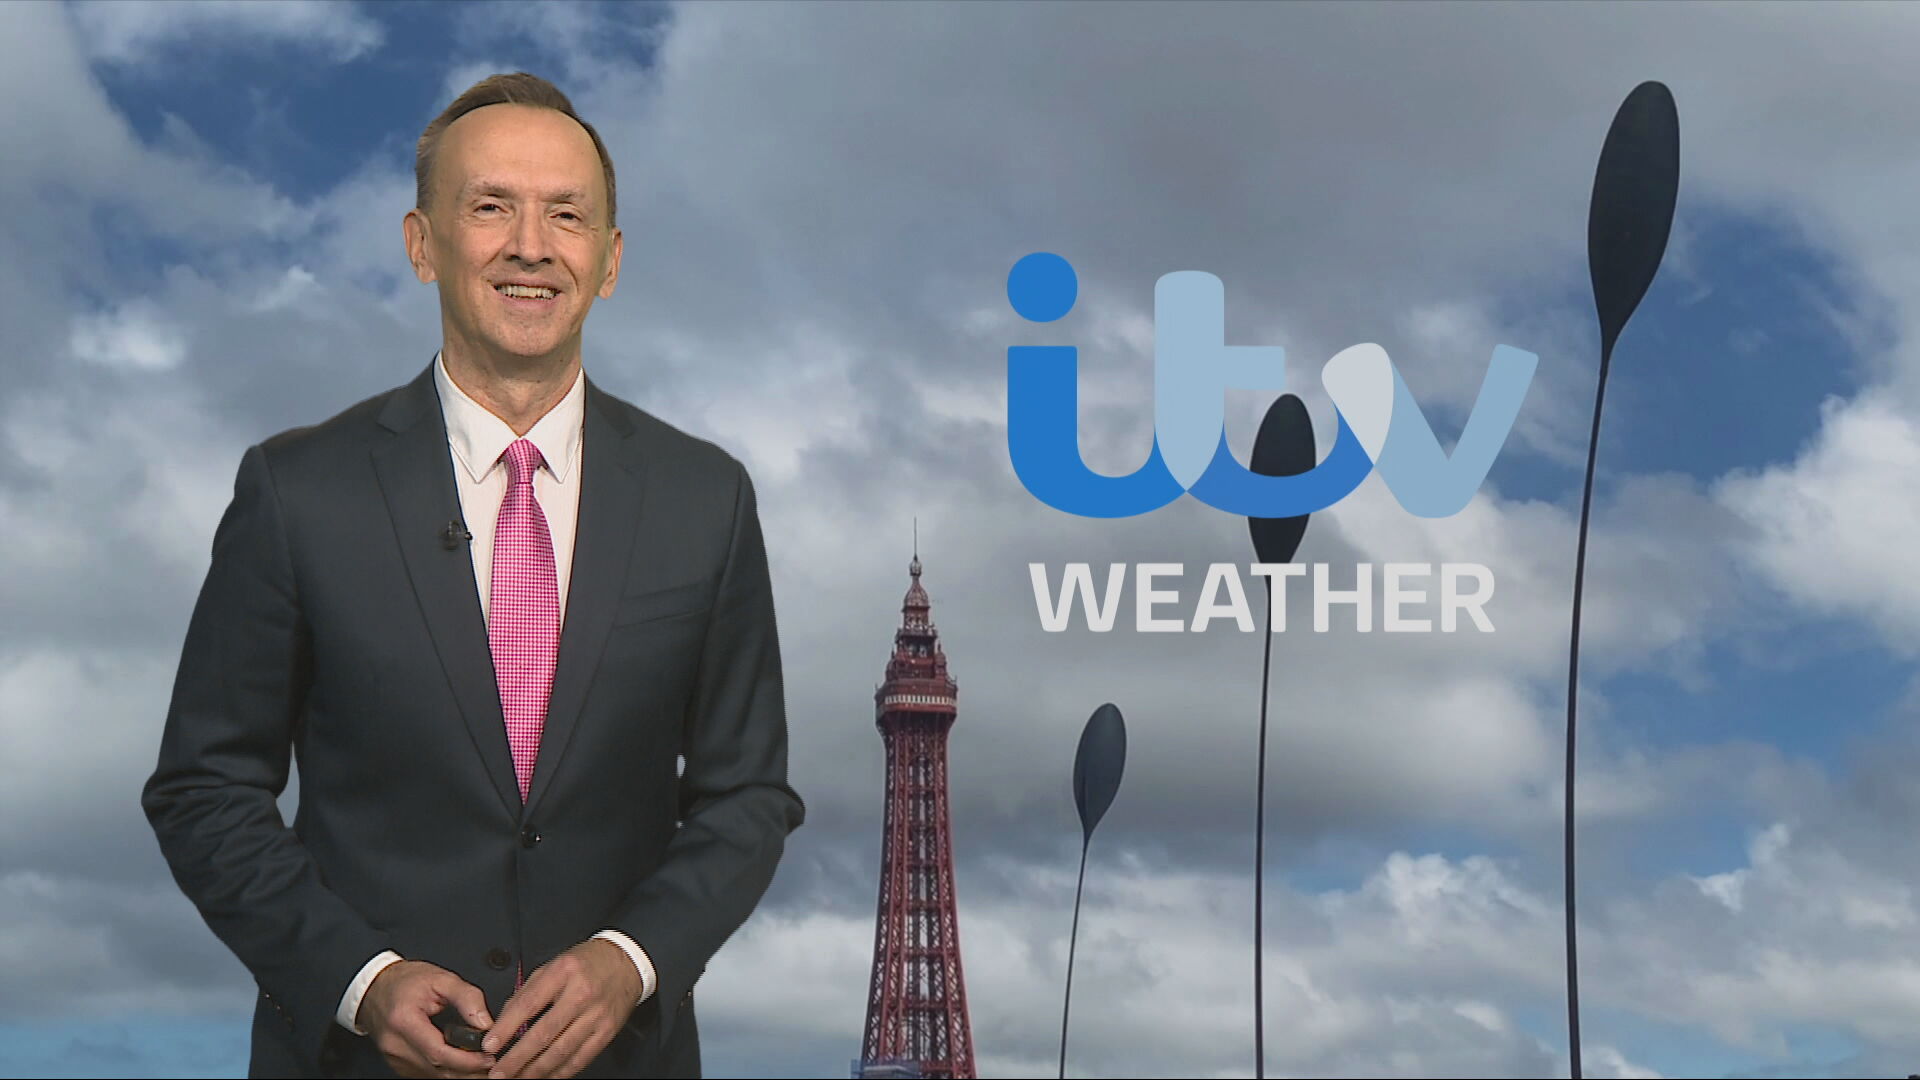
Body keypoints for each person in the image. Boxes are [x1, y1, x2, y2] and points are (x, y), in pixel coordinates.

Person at [142, 72, 805, 1079]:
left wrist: (631, 962)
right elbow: (206, 788)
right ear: (423, 245)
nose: (531, 246)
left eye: (567, 215)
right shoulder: (297, 491)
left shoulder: (706, 498)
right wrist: (360, 981)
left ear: (610, 260)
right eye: (491, 207)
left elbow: (747, 796)